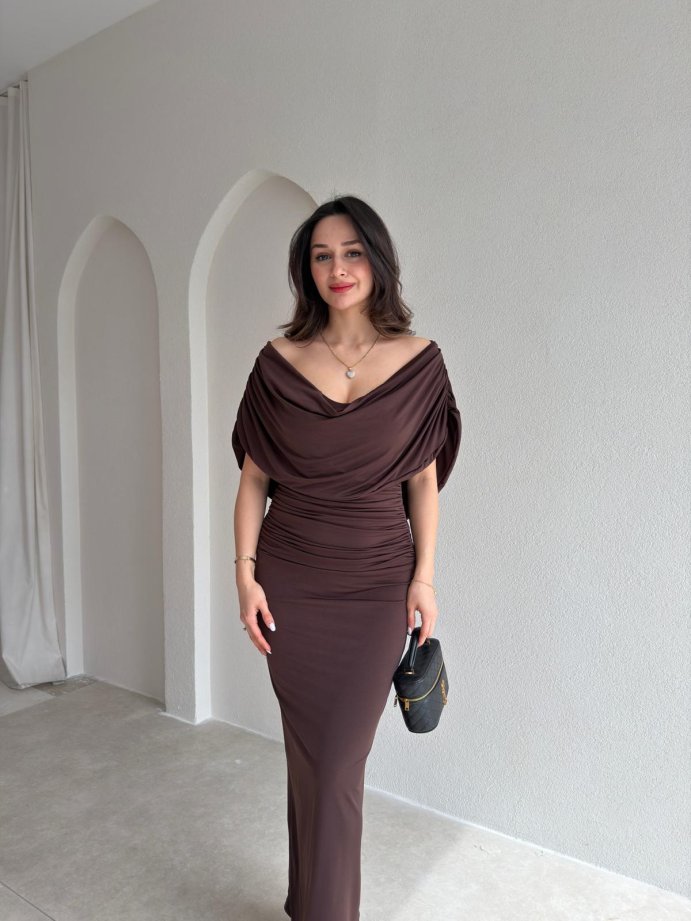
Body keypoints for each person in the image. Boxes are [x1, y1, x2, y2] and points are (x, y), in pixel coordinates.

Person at [231, 195, 461, 921]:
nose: (338, 268)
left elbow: (421, 482)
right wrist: (244, 575)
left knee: (335, 764)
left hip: (374, 587)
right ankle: (314, 905)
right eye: (322, 255)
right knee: (312, 762)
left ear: (378, 261)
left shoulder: (419, 362)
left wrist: (424, 578)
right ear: (306, 268)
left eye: (353, 252)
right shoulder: (278, 364)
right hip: (290, 583)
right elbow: (253, 482)